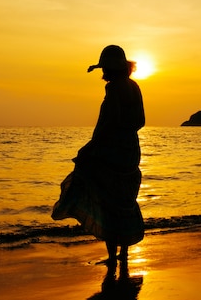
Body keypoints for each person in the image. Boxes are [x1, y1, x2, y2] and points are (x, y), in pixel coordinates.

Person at [52, 45, 145, 269]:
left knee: (107, 201)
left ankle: (113, 257)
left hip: (110, 150)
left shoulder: (113, 89)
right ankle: (123, 254)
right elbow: (140, 121)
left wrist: (90, 147)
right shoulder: (134, 86)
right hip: (131, 150)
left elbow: (109, 123)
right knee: (124, 200)